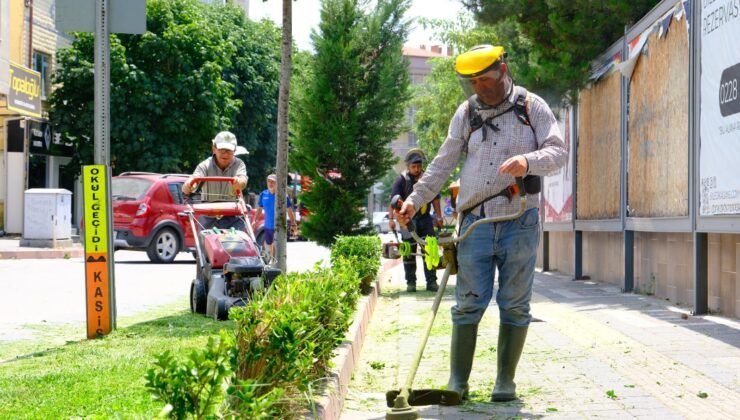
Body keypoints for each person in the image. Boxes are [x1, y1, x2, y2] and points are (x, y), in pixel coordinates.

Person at [396, 45, 567, 403]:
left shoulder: (530, 107)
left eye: (485, 81)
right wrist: (416, 199)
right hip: (474, 220)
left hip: (519, 218)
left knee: (515, 303)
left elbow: (557, 152)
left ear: (503, 71)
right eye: (472, 83)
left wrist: (527, 159)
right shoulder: (467, 112)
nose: (479, 89)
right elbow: (442, 163)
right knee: (468, 303)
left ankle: (505, 382)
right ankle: (458, 382)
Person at [388, 148, 443, 293]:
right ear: (408, 166)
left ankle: (431, 282)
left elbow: (436, 199)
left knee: (430, 250)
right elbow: (393, 200)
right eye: (414, 166)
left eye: (419, 166)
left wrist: (439, 216)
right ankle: (411, 283)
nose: (417, 169)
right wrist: (392, 219)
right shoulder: (401, 179)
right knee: (408, 252)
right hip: (407, 220)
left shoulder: (427, 179)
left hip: (425, 220)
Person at [182, 131, 248, 231]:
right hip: (208, 217)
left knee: (238, 244)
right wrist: (190, 185)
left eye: (229, 150)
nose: (225, 154)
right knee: (208, 244)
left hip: (233, 216)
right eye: (221, 150)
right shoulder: (204, 165)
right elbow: (194, 180)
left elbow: (242, 180)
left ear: (234, 150)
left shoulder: (239, 164)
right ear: (214, 148)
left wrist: (239, 182)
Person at [252, 174, 297, 258]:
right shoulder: (263, 194)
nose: (270, 183)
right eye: (269, 181)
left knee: (279, 248)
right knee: (268, 244)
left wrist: (293, 224)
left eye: (273, 181)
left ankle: (278, 263)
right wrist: (255, 220)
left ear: (277, 183)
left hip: (280, 227)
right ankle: (270, 261)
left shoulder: (282, 195)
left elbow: (289, 211)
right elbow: (259, 208)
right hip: (268, 226)